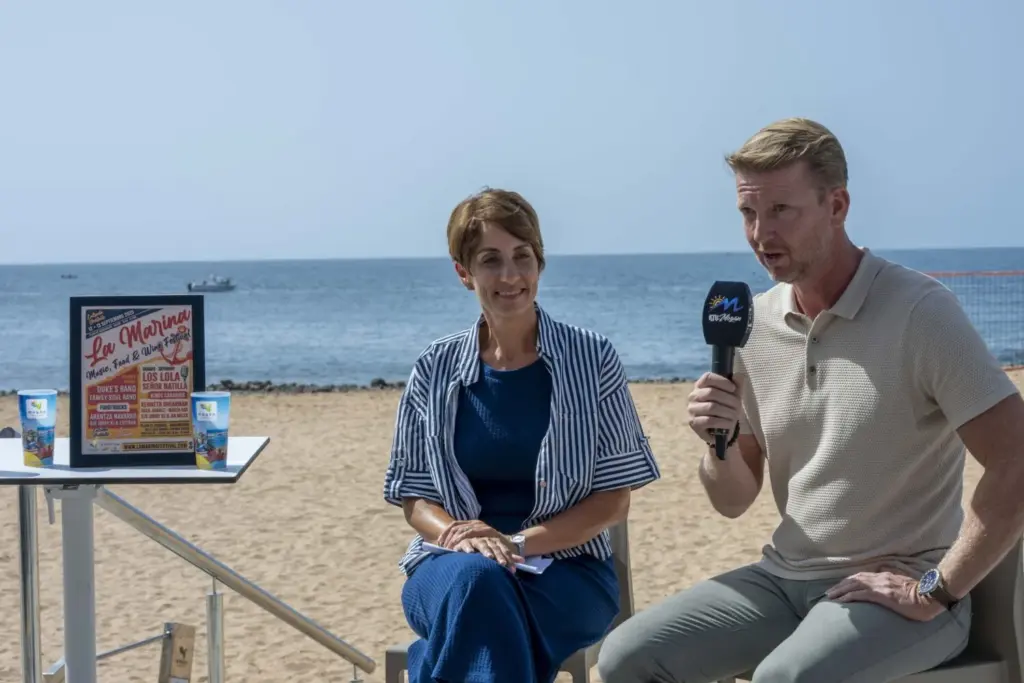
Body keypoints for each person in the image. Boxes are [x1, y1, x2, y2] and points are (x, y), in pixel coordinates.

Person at [597, 118, 1024, 683]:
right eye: (749, 213)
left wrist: (937, 589)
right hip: (782, 580)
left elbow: (1016, 459)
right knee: (625, 658)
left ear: (837, 205)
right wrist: (717, 445)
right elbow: (732, 501)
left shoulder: (922, 312)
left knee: (784, 680)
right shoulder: (753, 323)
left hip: (899, 593)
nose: (760, 234)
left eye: (780, 211)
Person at [382, 187, 661, 683]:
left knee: (480, 613)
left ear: (540, 263)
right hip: (451, 565)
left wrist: (515, 543)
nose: (510, 275)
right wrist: (462, 540)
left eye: (522, 257)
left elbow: (614, 500)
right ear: (463, 272)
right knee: (478, 584)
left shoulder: (592, 359)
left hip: (568, 573)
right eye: (490, 260)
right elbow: (414, 497)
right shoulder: (434, 367)